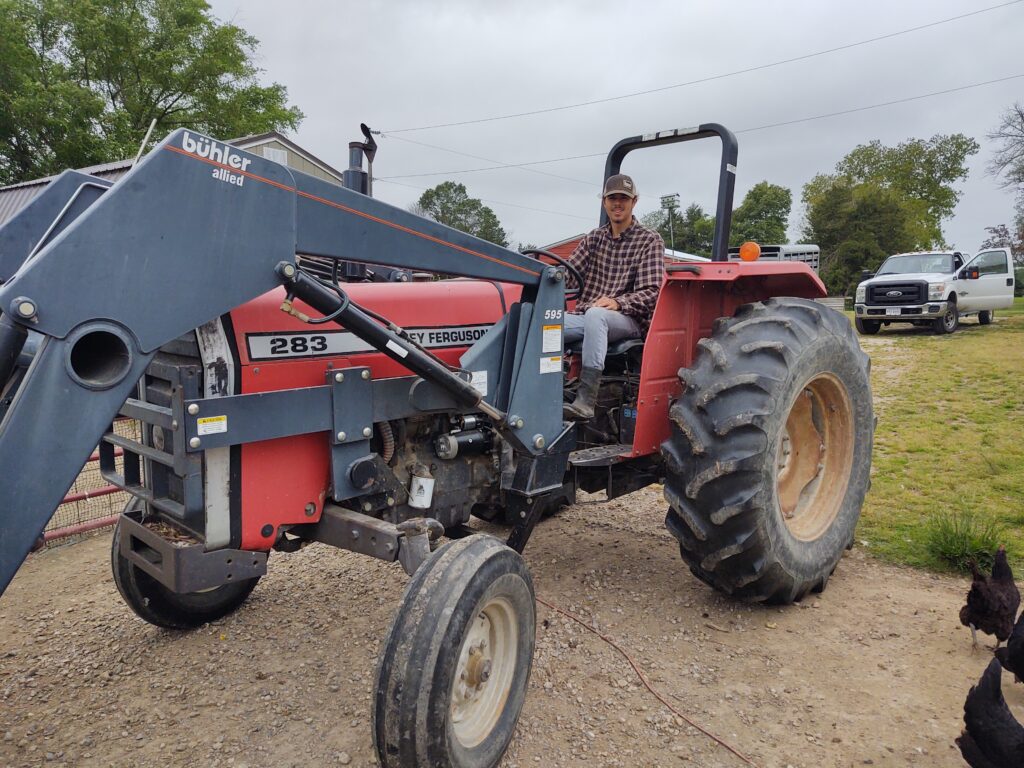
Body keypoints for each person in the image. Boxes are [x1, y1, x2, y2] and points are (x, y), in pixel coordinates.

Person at [562, 174, 665, 420]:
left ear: (634, 202)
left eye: (624, 199)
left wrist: (619, 302)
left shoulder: (649, 240)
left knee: (598, 315)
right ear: (604, 202)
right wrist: (544, 275)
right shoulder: (594, 239)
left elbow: (652, 292)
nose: (618, 204)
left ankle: (586, 400)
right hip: (588, 317)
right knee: (542, 325)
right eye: (612, 198)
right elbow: (568, 275)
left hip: (627, 320)